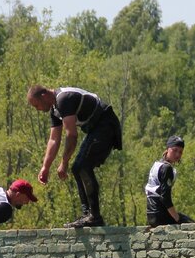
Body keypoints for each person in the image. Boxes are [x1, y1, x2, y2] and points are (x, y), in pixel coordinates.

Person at [27, 84, 124, 228]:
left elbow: (72, 135)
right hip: (95, 129)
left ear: (44, 96)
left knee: (82, 166)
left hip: (106, 124)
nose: (38, 109)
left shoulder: (63, 99)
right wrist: (45, 167)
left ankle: (94, 216)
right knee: (78, 168)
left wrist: (64, 162)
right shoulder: (55, 110)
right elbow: (54, 139)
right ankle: (88, 215)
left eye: (37, 105)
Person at [145, 135, 194, 226]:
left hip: (151, 214)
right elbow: (165, 198)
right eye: (174, 150)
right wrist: (177, 218)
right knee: (193, 225)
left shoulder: (157, 164)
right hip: (160, 214)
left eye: (180, 152)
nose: (177, 154)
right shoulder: (167, 168)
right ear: (167, 149)